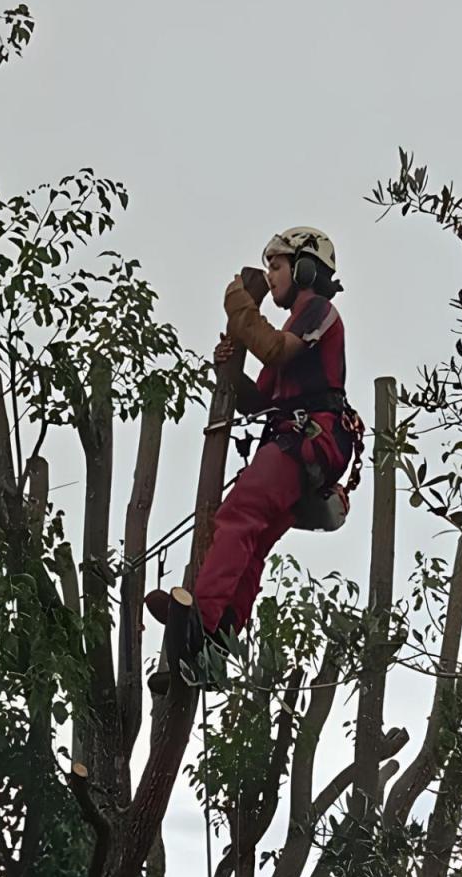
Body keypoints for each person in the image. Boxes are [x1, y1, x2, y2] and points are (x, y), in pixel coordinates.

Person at [146, 227, 356, 675]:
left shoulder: (318, 311)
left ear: (304, 268)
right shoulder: (292, 327)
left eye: (277, 266)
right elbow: (260, 398)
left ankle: (199, 620)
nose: (271, 275)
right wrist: (228, 369)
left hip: (308, 438)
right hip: (298, 441)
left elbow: (274, 350)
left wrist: (240, 305)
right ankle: (222, 635)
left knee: (238, 516)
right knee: (255, 538)